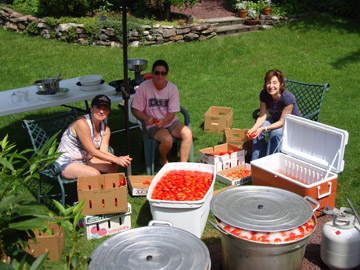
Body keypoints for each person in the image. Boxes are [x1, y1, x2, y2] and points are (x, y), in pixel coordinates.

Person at [55, 94, 132, 179]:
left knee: (112, 167)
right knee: (94, 174)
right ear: (91, 108)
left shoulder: (106, 129)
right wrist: (116, 159)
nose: (101, 111)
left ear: (108, 112)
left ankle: (109, 189)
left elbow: (104, 152)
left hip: (86, 160)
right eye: (98, 107)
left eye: (105, 109)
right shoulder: (82, 123)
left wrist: (119, 159)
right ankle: (97, 191)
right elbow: (92, 151)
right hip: (67, 162)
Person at [132, 59, 192, 166]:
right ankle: (163, 158)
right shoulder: (144, 87)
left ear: (167, 74)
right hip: (152, 124)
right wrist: (146, 118)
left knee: (187, 133)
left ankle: (184, 166)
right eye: (157, 73)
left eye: (163, 73)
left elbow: (172, 113)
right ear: (152, 73)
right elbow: (136, 110)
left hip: (169, 121)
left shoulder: (172, 88)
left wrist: (164, 120)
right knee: (167, 140)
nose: (160, 76)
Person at [248, 70, 301, 160]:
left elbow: (282, 122)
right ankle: (256, 163)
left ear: (281, 84)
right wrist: (254, 128)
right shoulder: (264, 94)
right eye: (268, 83)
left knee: (275, 133)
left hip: (292, 124)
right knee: (257, 131)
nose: (271, 86)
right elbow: (262, 116)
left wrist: (264, 128)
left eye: (274, 83)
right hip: (276, 119)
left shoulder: (288, 98)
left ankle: (270, 163)